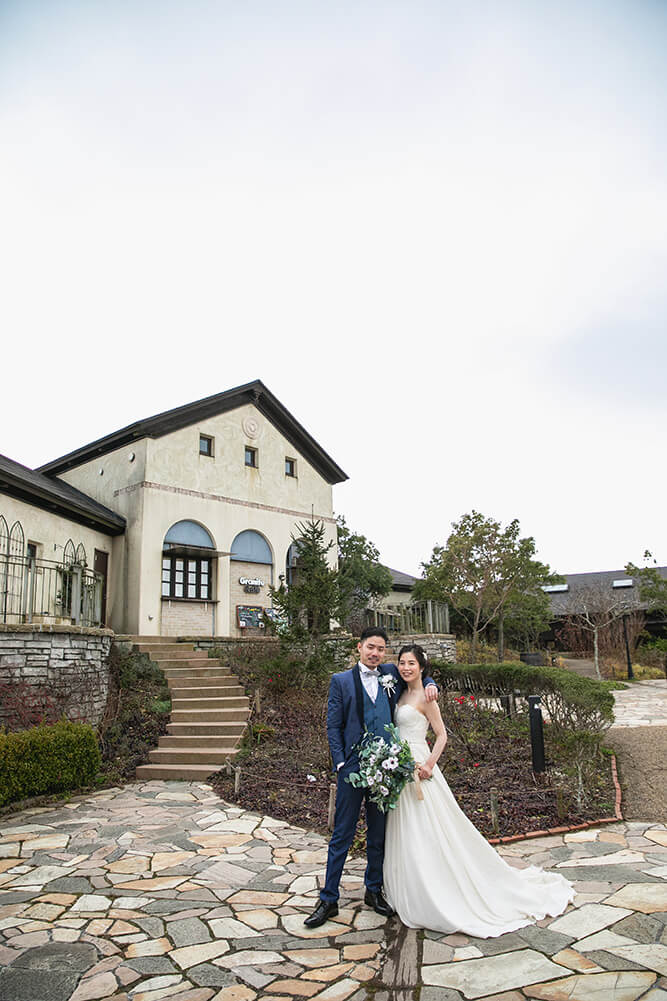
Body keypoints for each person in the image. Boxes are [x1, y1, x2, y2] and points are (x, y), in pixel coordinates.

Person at [383, 643, 575, 937]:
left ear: (422, 667)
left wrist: (429, 765)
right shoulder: (399, 691)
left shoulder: (426, 697)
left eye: (411, 663)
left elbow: (443, 735)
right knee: (407, 829)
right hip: (401, 768)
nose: (405, 668)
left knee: (432, 828)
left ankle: (439, 888)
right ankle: (409, 884)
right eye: (402, 663)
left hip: (421, 766)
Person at [304, 627, 439, 928]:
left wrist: (430, 683)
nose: (375, 653)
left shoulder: (390, 673)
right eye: (370, 647)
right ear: (359, 647)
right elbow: (333, 726)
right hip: (351, 770)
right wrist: (340, 764)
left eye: (380, 648)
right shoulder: (340, 681)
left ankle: (373, 890)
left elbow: (417, 672)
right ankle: (328, 899)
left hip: (385, 770)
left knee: (378, 834)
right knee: (342, 834)